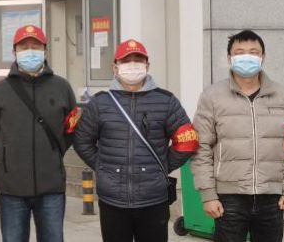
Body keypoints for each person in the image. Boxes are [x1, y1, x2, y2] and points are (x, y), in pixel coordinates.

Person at [73, 39, 198, 242]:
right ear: (115, 67)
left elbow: (187, 142)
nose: (132, 65)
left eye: (138, 60)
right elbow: (82, 141)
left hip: (153, 198)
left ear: (147, 66)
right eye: (126, 60)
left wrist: (163, 166)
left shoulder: (166, 101)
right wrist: (102, 166)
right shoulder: (100, 102)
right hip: (112, 199)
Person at [192, 30, 284, 242]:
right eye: (240, 52)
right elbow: (201, 149)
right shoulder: (212, 96)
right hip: (229, 198)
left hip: (272, 197)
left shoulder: (282, 96)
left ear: (262, 57)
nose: (247, 56)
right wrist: (207, 194)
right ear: (229, 58)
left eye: (254, 52)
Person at [0, 25, 78, 242]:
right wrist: (10, 153)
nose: (30, 50)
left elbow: (71, 129)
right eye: (24, 46)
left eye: (35, 45)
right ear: (14, 52)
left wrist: (52, 154)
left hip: (51, 187)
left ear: (45, 50)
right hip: (12, 188)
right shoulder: (0, 91)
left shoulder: (62, 87)